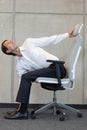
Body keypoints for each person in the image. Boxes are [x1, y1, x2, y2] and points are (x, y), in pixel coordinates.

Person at [1, 27, 78, 120]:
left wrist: (67, 35)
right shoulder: (20, 65)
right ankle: (20, 109)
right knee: (25, 78)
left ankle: (22, 112)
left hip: (58, 68)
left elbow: (49, 40)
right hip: (48, 72)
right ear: (8, 51)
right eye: (8, 43)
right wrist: (20, 103)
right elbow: (22, 83)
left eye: (10, 41)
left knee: (26, 76)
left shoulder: (28, 43)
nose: (11, 42)